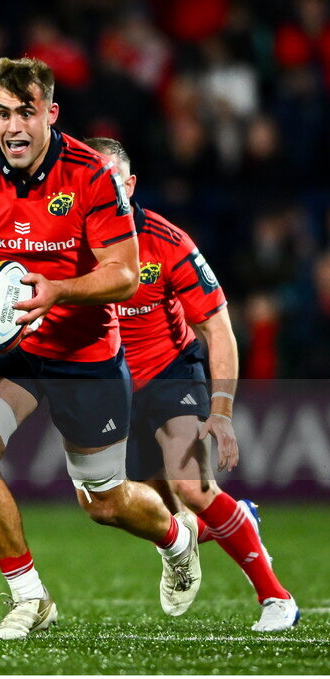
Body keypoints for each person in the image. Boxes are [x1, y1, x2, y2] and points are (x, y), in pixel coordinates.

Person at [0, 57, 202, 640]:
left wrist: (60, 291)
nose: (13, 126)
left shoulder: (91, 172)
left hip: (83, 348)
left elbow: (124, 275)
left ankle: (177, 537)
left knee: (104, 501)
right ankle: (30, 598)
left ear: (51, 112)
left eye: (26, 111)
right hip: (10, 340)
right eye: (2, 112)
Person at [84, 137, 299, 632]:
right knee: (108, 507)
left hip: (171, 374)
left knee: (191, 486)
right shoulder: (69, 246)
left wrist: (220, 413)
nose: (100, 193)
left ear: (130, 185)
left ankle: (277, 599)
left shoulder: (167, 241)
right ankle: (230, 522)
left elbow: (217, 328)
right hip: (110, 384)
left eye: (110, 181)